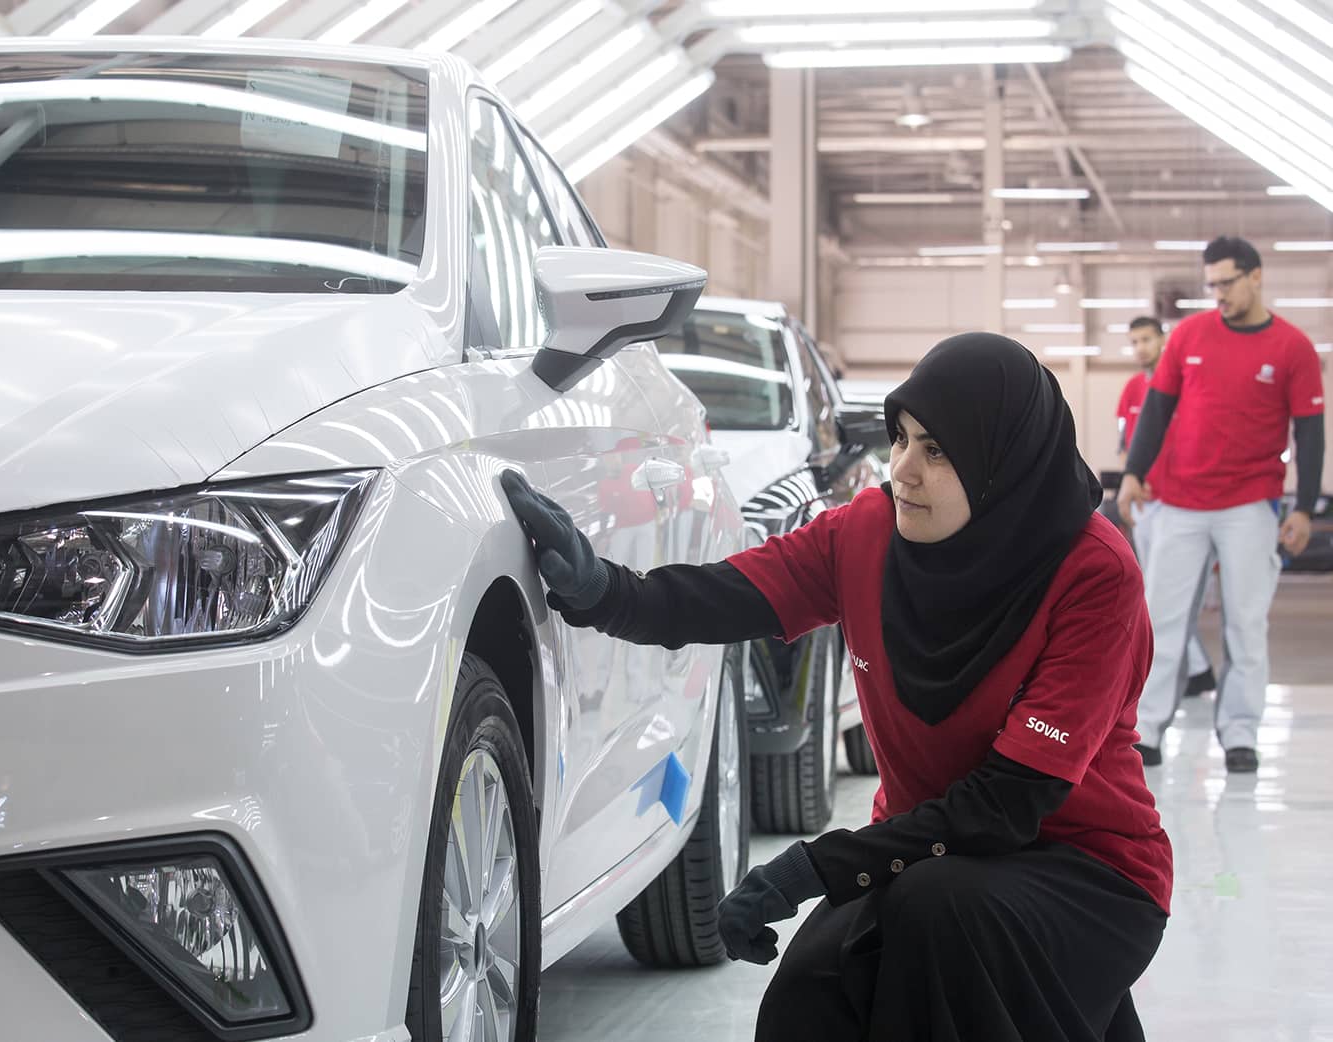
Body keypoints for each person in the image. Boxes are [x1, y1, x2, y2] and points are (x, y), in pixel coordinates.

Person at [505, 333, 1171, 1042]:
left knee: (940, 916)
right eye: (901, 439)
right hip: (925, 861)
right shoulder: (867, 535)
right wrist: (604, 591)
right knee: (810, 996)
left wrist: (811, 867)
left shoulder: (1094, 573)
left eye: (938, 451)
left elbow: (1009, 805)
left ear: (1001, 465)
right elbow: (728, 596)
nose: (904, 471)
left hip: (1088, 870)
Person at [1118, 237, 1326, 773]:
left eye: (1227, 283)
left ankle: (1239, 734)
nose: (1218, 294)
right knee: (1161, 621)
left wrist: (1303, 507)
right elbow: (1156, 412)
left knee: (1245, 624)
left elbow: (1309, 433)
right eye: (1211, 284)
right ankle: (1147, 731)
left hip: (1250, 506)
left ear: (1256, 277)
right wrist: (1134, 474)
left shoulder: (1292, 348)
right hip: (1179, 504)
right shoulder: (1189, 335)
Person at [1117, 315, 1217, 698]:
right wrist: (1132, 476)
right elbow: (1128, 441)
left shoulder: (1187, 387)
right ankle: (1198, 671)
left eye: (1147, 339)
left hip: (1182, 503)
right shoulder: (1131, 390)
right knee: (1156, 595)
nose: (1141, 347)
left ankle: (1193, 671)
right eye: (1134, 341)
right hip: (1145, 503)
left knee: (1168, 595)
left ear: (1164, 341)